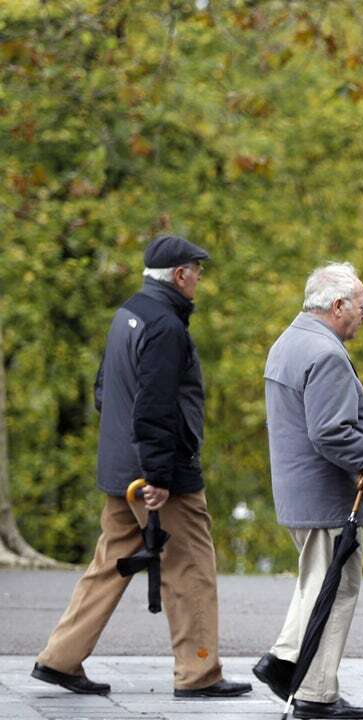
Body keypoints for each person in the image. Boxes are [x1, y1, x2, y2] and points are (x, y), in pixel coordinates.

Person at [32, 235, 252, 699]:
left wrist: (128, 457)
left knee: (110, 563)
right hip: (157, 475)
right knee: (190, 566)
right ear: (179, 275)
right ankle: (198, 673)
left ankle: (60, 658)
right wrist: (158, 476)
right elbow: (155, 407)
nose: (199, 279)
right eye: (197, 270)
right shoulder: (166, 328)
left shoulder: (127, 314)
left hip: (120, 466)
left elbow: (103, 390)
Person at [254, 262, 363, 720]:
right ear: (337, 306)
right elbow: (331, 431)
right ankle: (315, 692)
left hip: (299, 492)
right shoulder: (324, 353)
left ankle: (284, 661)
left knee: (315, 583)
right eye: (362, 306)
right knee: (337, 588)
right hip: (327, 496)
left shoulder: (288, 342)